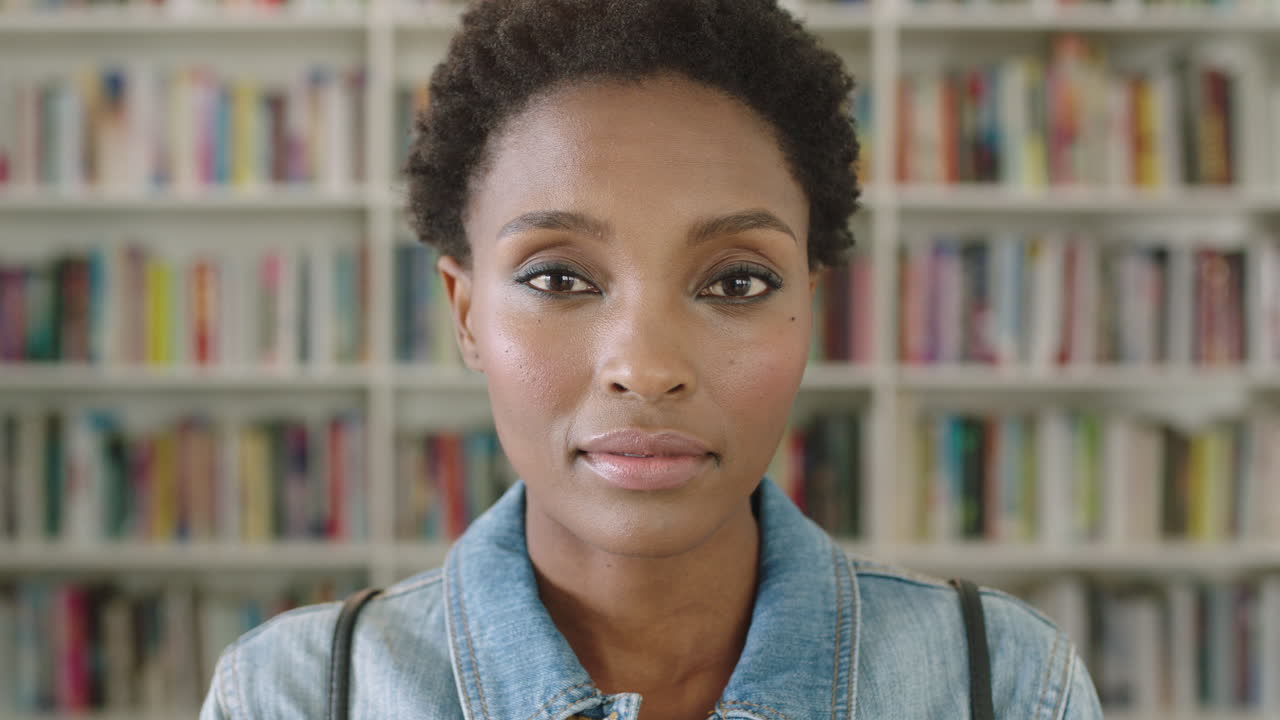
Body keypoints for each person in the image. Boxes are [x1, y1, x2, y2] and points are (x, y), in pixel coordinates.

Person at [199, 1, 1104, 718]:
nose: (645, 365)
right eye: (558, 277)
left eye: (738, 283)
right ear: (465, 313)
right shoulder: (294, 696)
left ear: (810, 309)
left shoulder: (1006, 685)